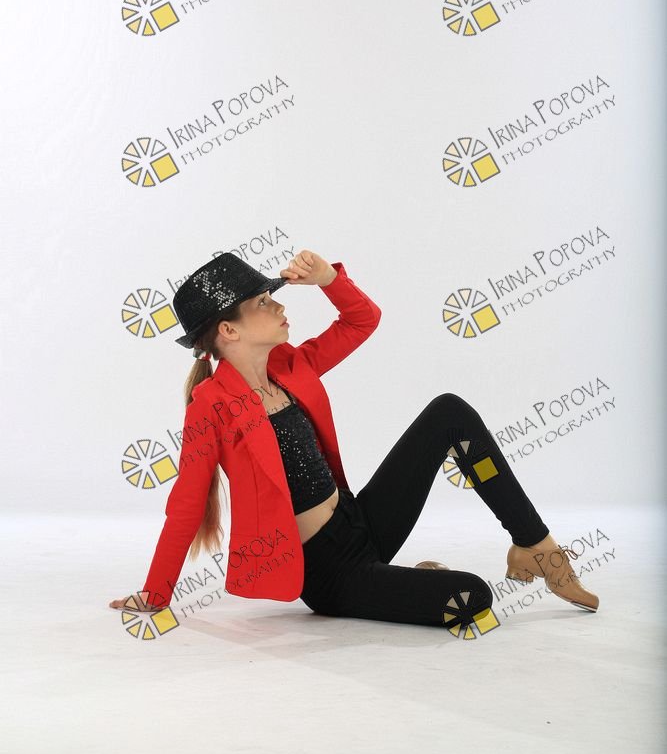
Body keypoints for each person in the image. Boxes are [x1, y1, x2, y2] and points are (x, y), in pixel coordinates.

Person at [110, 249, 599, 637]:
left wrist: (328, 280)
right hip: (330, 572)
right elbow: (187, 504)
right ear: (228, 330)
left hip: (361, 521)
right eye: (263, 302)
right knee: (471, 598)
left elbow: (362, 320)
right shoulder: (211, 405)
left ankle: (535, 546)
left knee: (449, 414)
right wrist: (156, 594)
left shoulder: (291, 365)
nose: (279, 305)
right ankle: (412, 583)